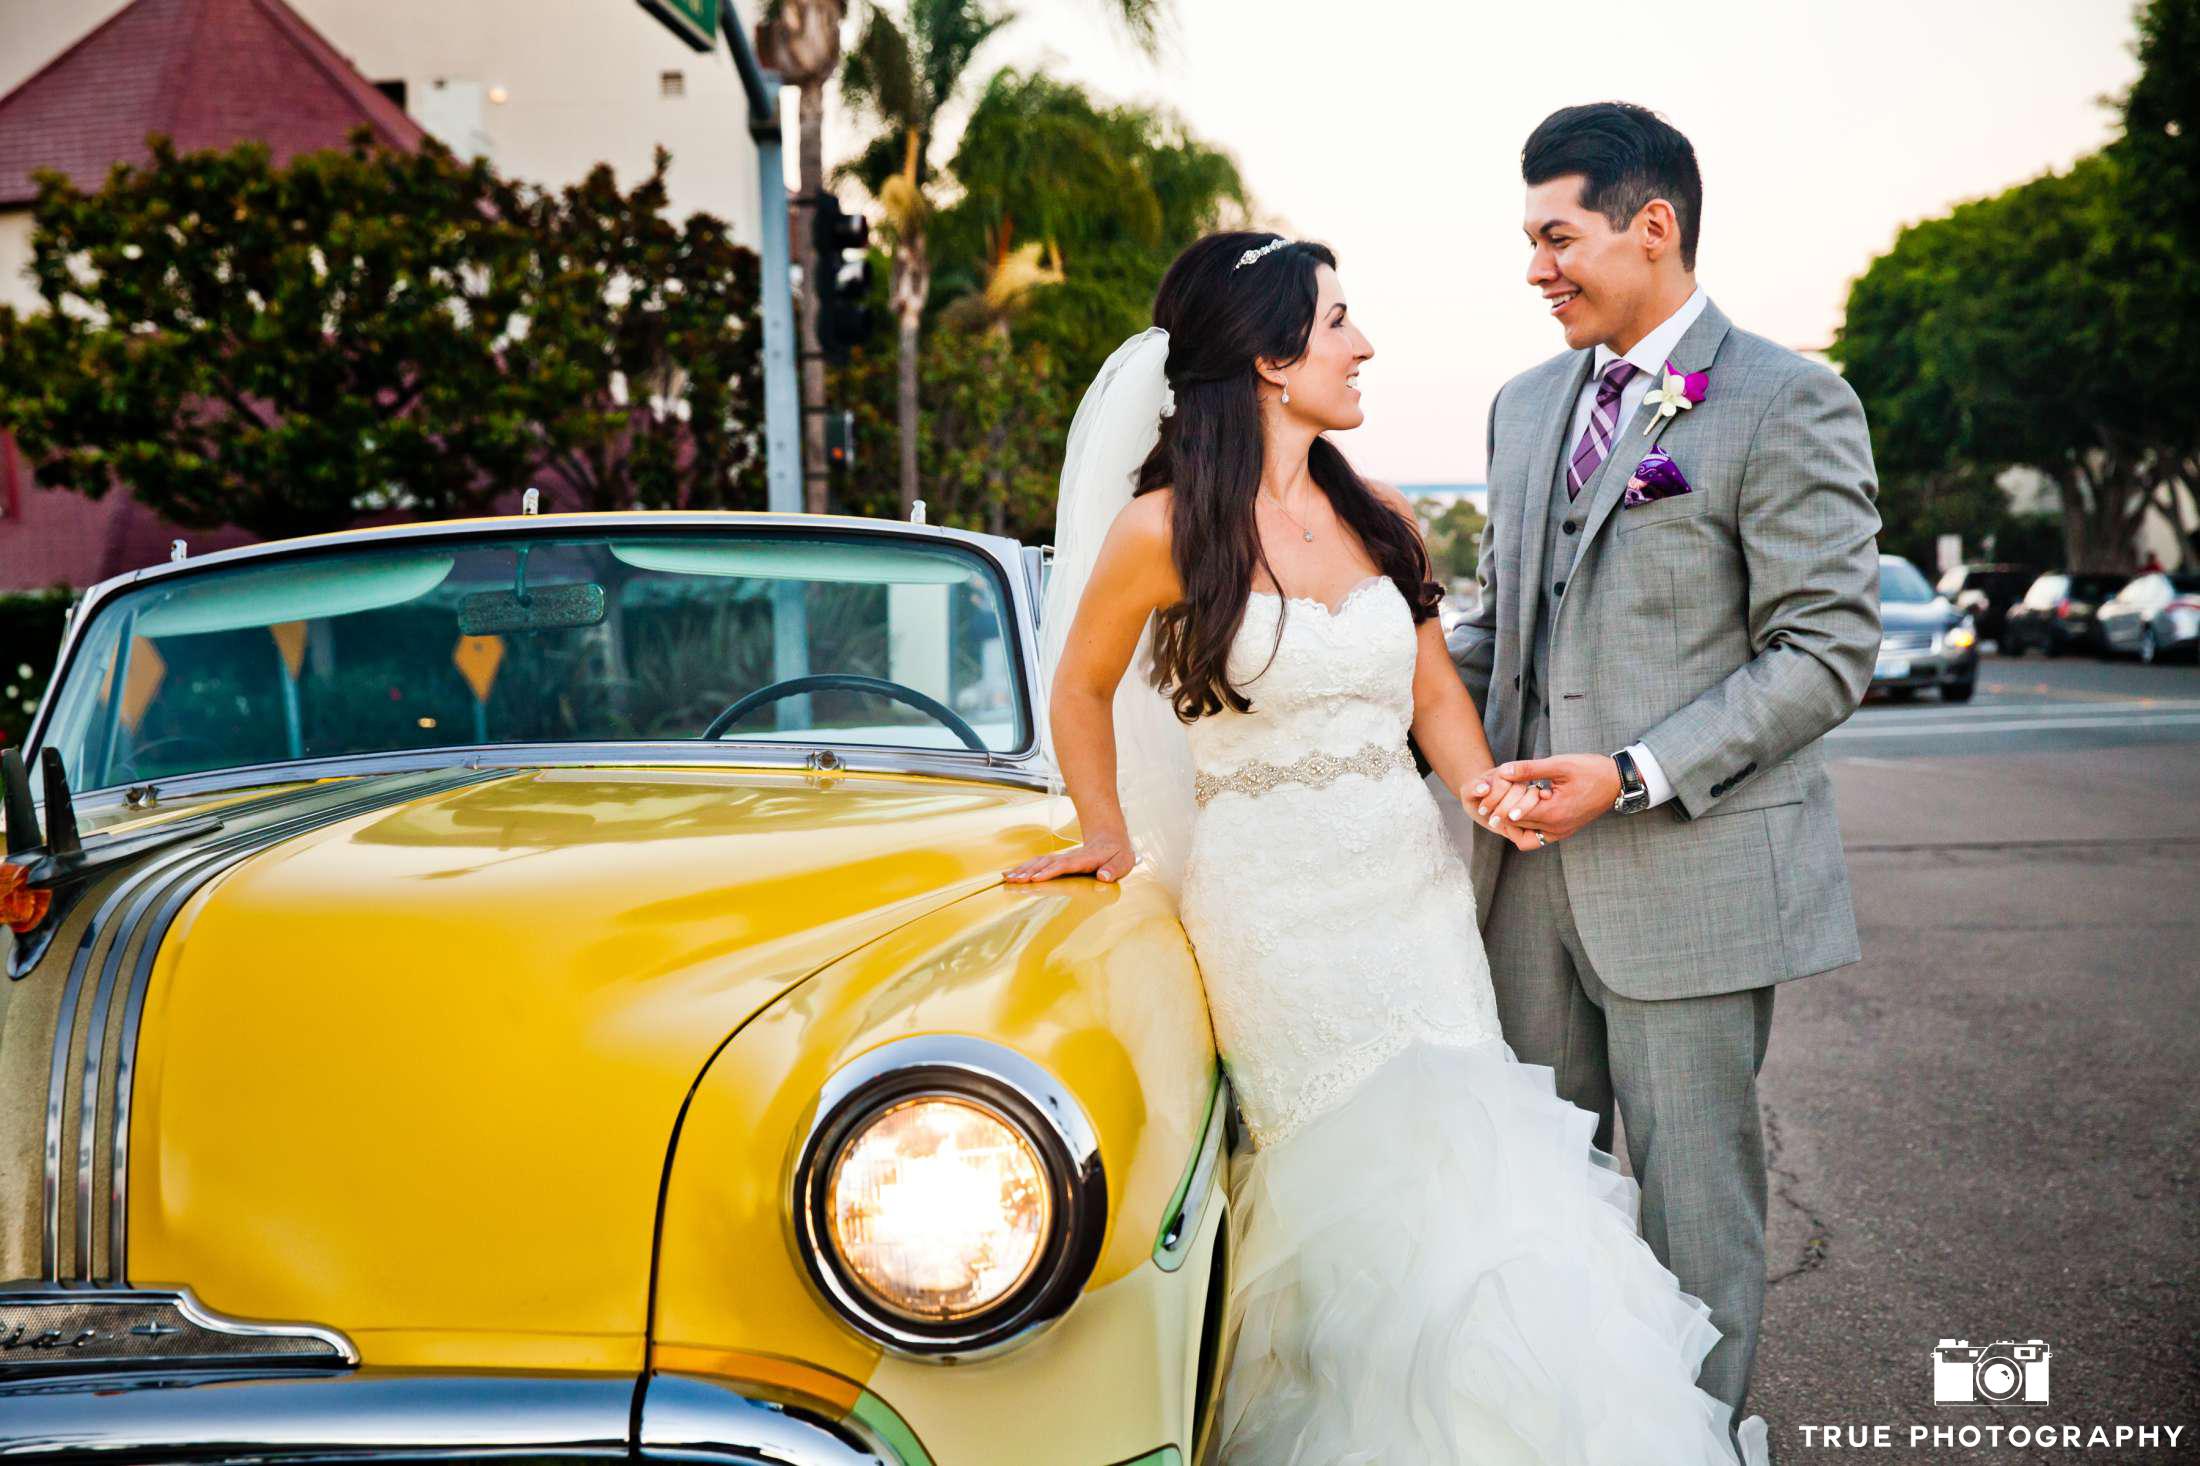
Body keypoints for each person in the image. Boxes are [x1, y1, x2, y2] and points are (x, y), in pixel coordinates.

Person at [1005, 228, 1769, 1464]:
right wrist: (1106, 830)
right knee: (1355, 1196)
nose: (1363, 345)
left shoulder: (1379, 515)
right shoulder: (1159, 530)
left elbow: (1430, 696)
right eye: (1337, 320)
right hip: (1275, 920)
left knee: (1478, 1168)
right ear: (1266, 358)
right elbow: (1081, 689)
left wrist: (1481, 793)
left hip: (1410, 897)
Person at [1453, 102, 1882, 1440]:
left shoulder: (1789, 397)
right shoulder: (1524, 411)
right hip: (1525, 891)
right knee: (1540, 1208)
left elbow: (1826, 649)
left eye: (1556, 236)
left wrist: (1633, 771)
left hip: (1692, 885)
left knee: (1699, 1226)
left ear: (1655, 227)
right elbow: (1493, 628)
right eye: (1528, 241)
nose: (1536, 269)